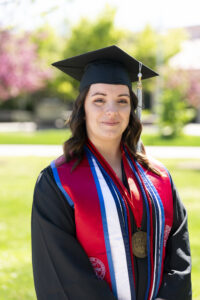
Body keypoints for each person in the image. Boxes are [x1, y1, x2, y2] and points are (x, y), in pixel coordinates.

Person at [31, 45, 192, 300]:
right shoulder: (57, 182)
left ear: (132, 110)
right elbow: (62, 272)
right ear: (82, 107)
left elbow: (179, 260)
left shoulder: (159, 178)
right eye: (99, 100)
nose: (111, 111)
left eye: (122, 101)